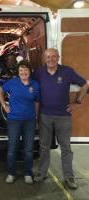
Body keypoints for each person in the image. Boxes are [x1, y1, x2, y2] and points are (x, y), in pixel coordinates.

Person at [34, 48, 89, 189]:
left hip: (63, 116)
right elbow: (29, 86)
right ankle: (42, 173)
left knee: (66, 148)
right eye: (48, 57)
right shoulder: (39, 72)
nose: (51, 59)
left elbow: (85, 84)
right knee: (44, 146)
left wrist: (77, 102)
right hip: (45, 115)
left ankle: (69, 177)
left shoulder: (67, 71)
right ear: (44, 58)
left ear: (58, 57)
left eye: (53, 56)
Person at [0, 60, 40, 184]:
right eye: (21, 70)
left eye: (26, 69)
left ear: (30, 71)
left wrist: (36, 117)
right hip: (14, 120)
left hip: (30, 120)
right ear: (18, 72)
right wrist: (4, 105)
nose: (23, 72)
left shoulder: (35, 85)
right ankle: (11, 173)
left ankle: (27, 173)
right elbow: (0, 91)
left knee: (28, 149)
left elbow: (37, 102)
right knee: (12, 149)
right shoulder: (12, 83)